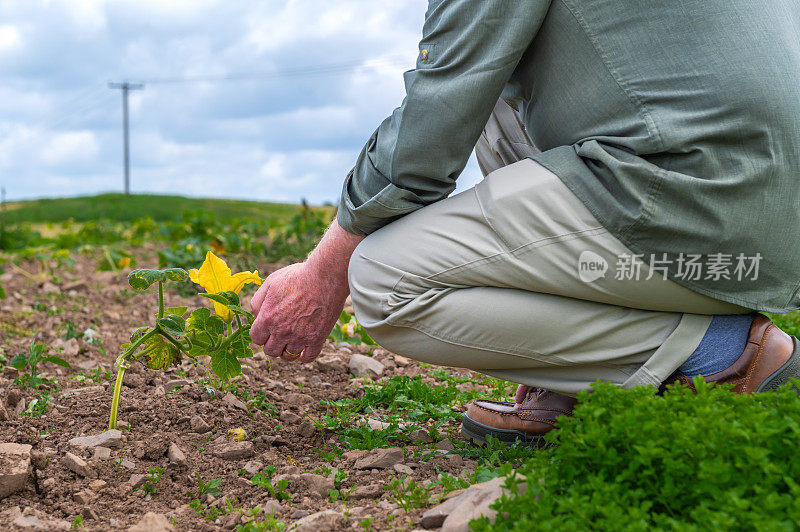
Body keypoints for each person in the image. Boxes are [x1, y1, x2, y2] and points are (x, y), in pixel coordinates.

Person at [249, 0, 800, 447]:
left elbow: (438, 114)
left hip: (687, 196)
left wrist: (325, 271)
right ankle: (585, 381)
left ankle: (719, 352)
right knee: (501, 89)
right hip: (768, 218)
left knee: (384, 281)